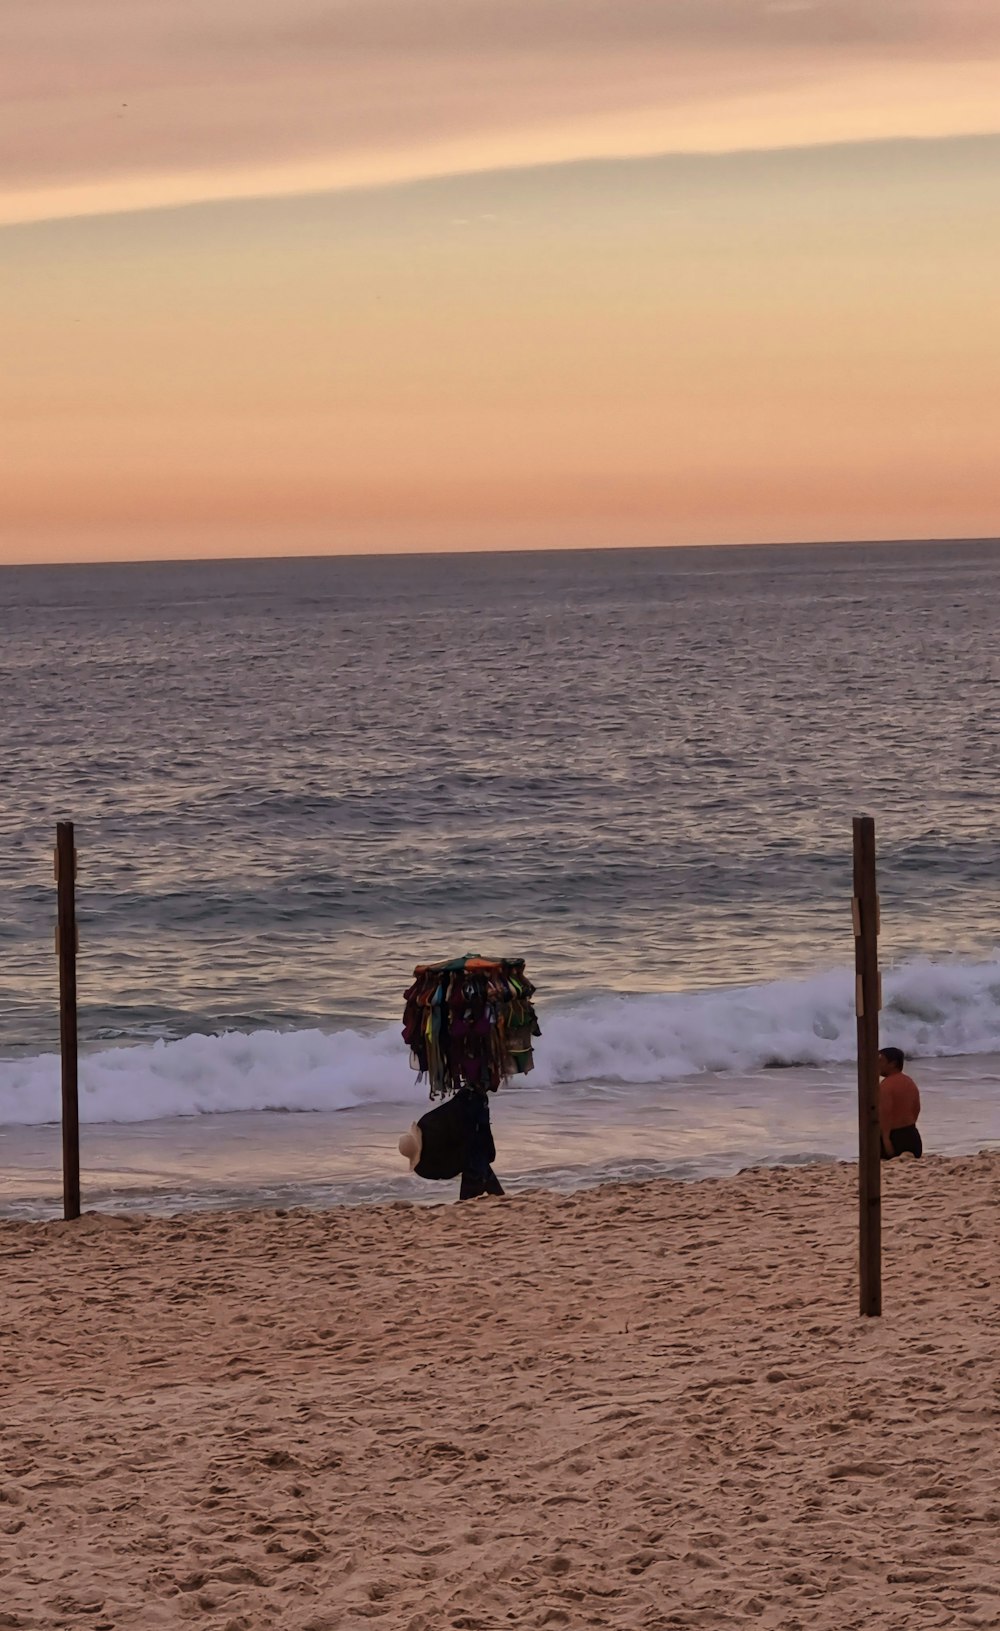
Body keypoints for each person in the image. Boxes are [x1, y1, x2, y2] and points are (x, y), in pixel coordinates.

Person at [878, 1047, 923, 1159]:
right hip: (913, 1137)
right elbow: (916, 1108)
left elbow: (885, 1113)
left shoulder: (886, 1086)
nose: (876, 1064)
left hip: (894, 1139)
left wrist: (886, 1140)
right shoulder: (909, 1082)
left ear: (892, 1064)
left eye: (880, 1061)